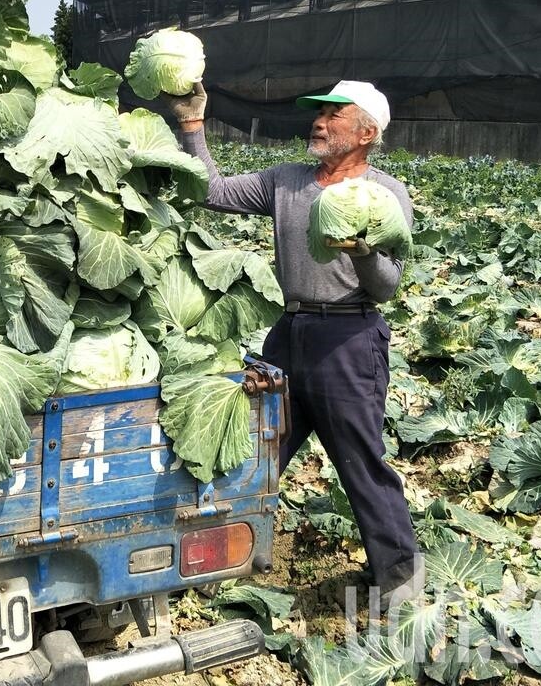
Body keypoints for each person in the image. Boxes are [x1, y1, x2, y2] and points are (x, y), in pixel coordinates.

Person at [168, 79, 421, 610]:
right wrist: (192, 125)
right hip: (288, 333)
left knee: (360, 461)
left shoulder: (384, 194)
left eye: (334, 114)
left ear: (367, 132)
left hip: (349, 340)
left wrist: (362, 251)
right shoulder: (286, 181)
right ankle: (213, 565)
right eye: (319, 113)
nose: (319, 122)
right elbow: (211, 191)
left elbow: (387, 286)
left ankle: (399, 586)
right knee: (258, 451)